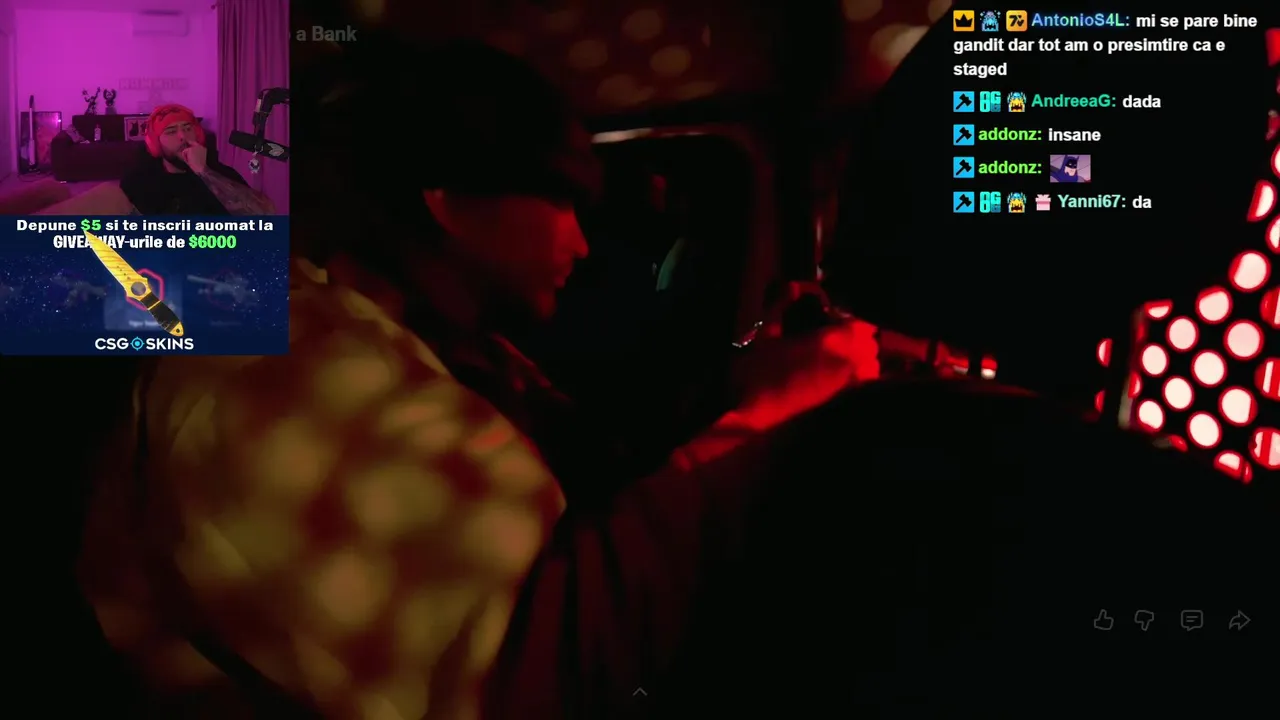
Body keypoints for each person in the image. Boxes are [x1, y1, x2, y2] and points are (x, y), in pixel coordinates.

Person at [77, 40, 877, 719]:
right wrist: (775, 415)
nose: (583, 243)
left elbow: (586, 487)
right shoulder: (288, 369)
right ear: (451, 199)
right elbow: (547, 669)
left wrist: (740, 390)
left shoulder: (439, 345)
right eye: (562, 199)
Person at [120, 103, 275, 215]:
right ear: (156, 143)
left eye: (188, 128)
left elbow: (265, 213)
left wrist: (203, 171)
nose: (183, 136)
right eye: (171, 131)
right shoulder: (139, 179)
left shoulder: (219, 172)